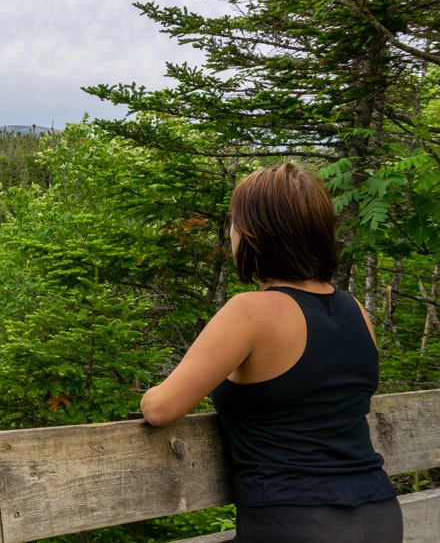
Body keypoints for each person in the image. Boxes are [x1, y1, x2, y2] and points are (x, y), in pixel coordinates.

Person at [139, 163, 402, 542]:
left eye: (234, 222)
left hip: (296, 523)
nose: (231, 232)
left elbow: (160, 409)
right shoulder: (356, 311)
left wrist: (147, 393)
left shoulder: (251, 312)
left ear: (255, 234)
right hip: (379, 517)